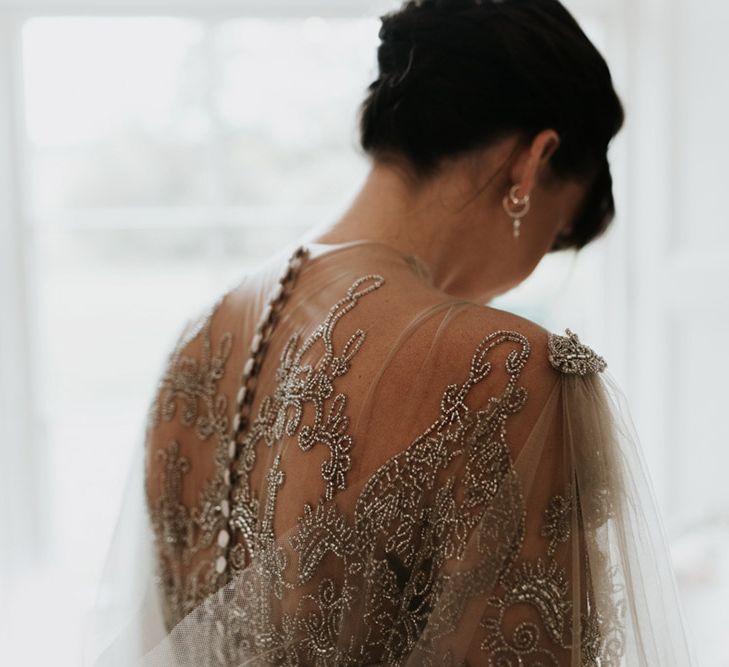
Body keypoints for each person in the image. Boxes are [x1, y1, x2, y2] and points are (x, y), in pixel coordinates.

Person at [88, 0, 694, 664]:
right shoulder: (503, 369)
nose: (514, 282)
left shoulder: (199, 335)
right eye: (552, 235)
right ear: (530, 164)